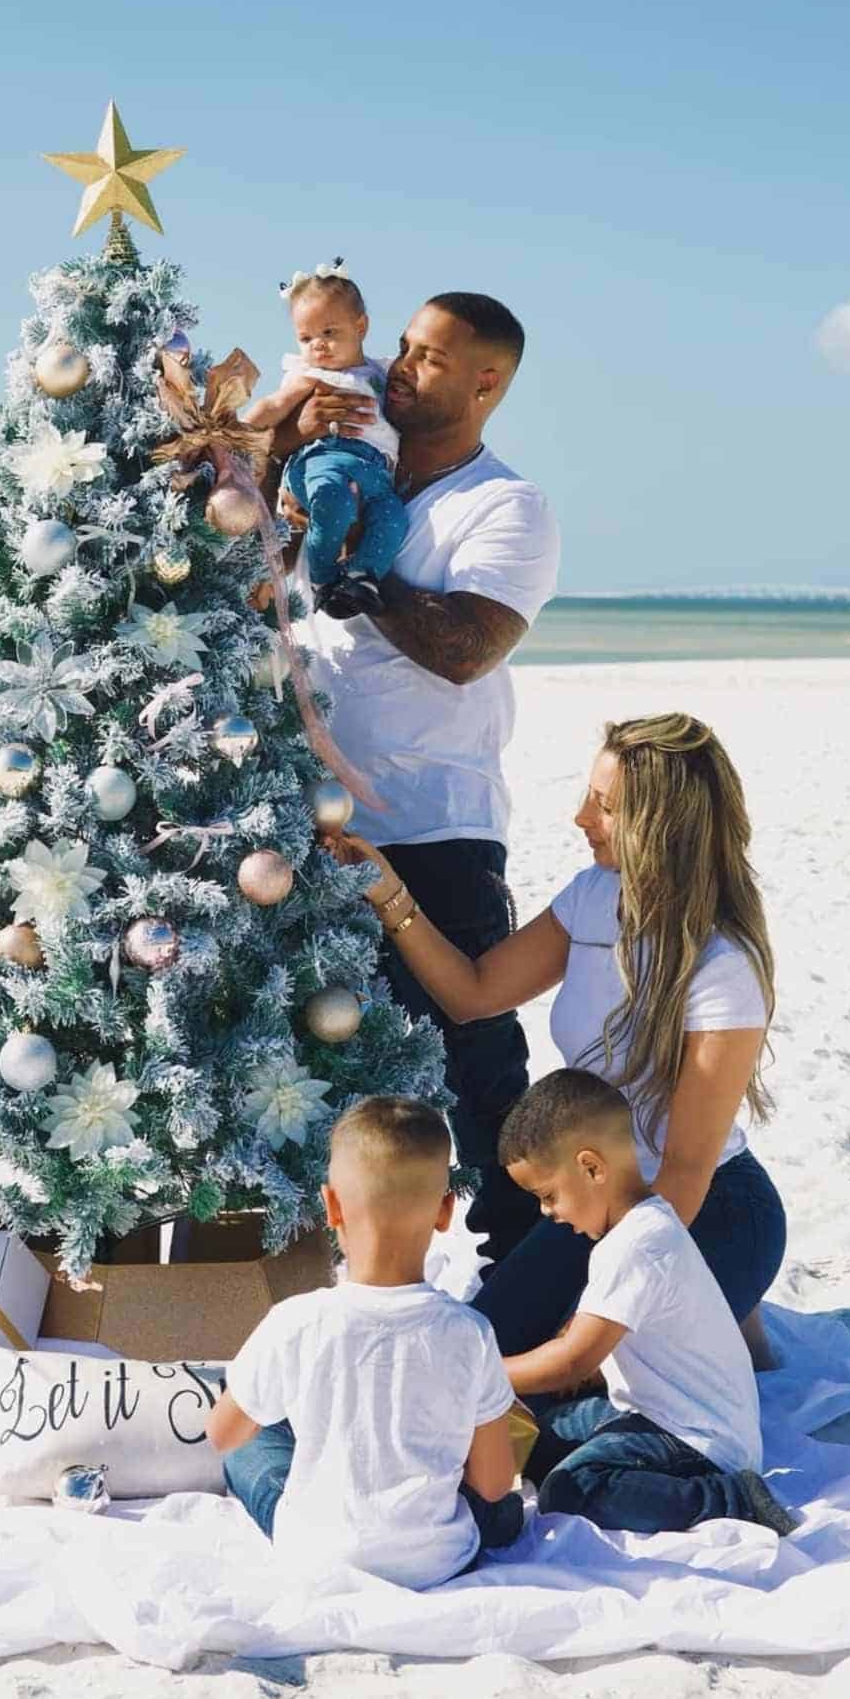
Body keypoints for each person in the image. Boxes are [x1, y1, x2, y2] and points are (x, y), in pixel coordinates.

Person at [327, 713, 787, 1361]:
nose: (580, 818)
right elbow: (472, 995)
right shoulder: (594, 896)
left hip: (702, 1207)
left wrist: (594, 1319)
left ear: (663, 824)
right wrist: (388, 892)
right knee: (489, 1353)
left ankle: (730, 1304)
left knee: (586, 1375)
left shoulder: (722, 964)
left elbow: (684, 1173)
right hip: (597, 1201)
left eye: (606, 807)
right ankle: (728, 1321)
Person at [269, 292, 561, 1259]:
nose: (401, 365)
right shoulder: (346, 463)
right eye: (402, 346)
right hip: (307, 824)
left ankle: (527, 1272)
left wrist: (362, 571)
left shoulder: (506, 505)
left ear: (487, 381)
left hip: (435, 826)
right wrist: (281, 460)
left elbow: (468, 648)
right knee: (308, 1060)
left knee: (476, 1072)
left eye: (431, 357)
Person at [205, 1096, 524, 1587]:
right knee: (502, 1511)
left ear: (331, 1206)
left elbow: (222, 1435)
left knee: (253, 1449)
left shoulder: (295, 1321)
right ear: (445, 1212)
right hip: (437, 1560)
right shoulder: (470, 1332)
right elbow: (495, 1482)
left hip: (319, 1556)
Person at [495, 1068, 798, 1536]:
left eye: (549, 1195)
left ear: (592, 1168)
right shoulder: (636, 1230)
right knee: (541, 1436)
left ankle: (733, 1499)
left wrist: (486, 1370)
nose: (546, 1212)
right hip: (648, 1410)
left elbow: (572, 1361)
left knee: (572, 1488)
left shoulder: (638, 1244)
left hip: (697, 1437)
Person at [245, 260, 407, 619]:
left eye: (329, 332)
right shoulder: (308, 375)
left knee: (393, 516)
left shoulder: (382, 373)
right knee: (334, 503)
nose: (318, 345)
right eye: (306, 338)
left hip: (375, 471)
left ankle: (361, 576)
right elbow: (273, 406)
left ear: (361, 326)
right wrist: (241, 428)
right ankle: (323, 579)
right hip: (321, 461)